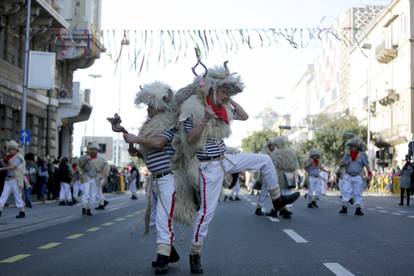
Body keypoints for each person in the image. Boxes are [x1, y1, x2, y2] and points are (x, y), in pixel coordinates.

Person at [174, 62, 300, 274]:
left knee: (264, 160)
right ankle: (195, 253)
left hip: (225, 157)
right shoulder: (192, 108)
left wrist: (229, 97)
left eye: (227, 91)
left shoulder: (223, 107)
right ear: (212, 88)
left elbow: (244, 116)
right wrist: (205, 119)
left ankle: (277, 200)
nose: (225, 95)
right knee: (207, 213)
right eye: (223, 90)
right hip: (207, 167)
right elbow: (191, 138)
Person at [123, 81, 180, 274]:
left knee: (163, 219)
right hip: (155, 180)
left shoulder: (171, 126)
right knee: (156, 220)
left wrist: (136, 139)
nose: (147, 109)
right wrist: (134, 147)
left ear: (159, 106)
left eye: (150, 105)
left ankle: (162, 258)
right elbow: (147, 153)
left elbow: (158, 143)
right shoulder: (151, 129)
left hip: (168, 179)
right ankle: (168, 252)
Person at [338, 136, 372, 216]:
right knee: (346, 191)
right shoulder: (347, 155)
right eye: (351, 146)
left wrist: (370, 174)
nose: (352, 147)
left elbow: (366, 165)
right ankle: (344, 207)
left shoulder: (362, 155)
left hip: (358, 176)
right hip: (348, 176)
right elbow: (341, 164)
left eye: (354, 146)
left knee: (358, 193)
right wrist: (346, 156)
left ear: (358, 147)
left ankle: (358, 209)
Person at [78, 142, 109, 216]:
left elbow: (105, 169)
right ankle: (84, 208)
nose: (93, 151)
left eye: (95, 149)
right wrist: (86, 160)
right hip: (86, 177)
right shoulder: (83, 157)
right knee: (86, 194)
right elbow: (80, 167)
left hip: (95, 178)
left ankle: (89, 208)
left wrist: (104, 177)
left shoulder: (102, 160)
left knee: (93, 195)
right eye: (92, 149)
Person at [0, 140, 26, 218]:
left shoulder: (19, 157)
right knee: (3, 196)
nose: (9, 151)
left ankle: (22, 212)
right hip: (8, 179)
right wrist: (3, 161)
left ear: (15, 149)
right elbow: (6, 162)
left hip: (15, 180)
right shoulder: (9, 156)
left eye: (11, 150)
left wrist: (2, 168)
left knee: (18, 197)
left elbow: (13, 166)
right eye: (9, 150)